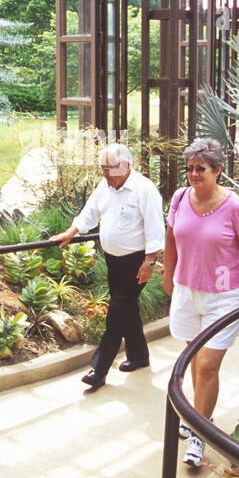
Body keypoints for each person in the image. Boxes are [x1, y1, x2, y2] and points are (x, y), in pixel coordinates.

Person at [162, 138, 239, 469]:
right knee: (193, 357)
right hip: (187, 291)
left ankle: (198, 434)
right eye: (190, 168)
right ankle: (197, 412)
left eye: (201, 169)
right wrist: (169, 276)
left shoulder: (236, 208)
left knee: (207, 365)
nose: (193, 174)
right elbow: (171, 236)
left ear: (218, 171)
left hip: (223, 295)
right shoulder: (179, 198)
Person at [55, 143, 164, 391]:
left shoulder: (144, 189)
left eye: (110, 169)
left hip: (136, 262)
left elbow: (156, 230)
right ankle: (138, 356)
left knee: (116, 313)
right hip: (114, 261)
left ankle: (99, 369)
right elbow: (90, 213)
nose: (105, 174)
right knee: (127, 310)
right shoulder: (105, 186)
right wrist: (72, 231)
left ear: (127, 166)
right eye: (102, 168)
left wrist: (149, 262)